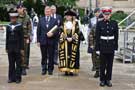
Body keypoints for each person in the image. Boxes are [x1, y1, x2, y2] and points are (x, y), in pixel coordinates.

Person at [95, 6, 119, 87]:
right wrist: (97, 48)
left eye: (108, 14)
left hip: (111, 47)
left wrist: (116, 48)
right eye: (105, 14)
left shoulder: (114, 23)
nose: (107, 16)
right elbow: (97, 37)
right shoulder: (99, 23)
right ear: (103, 14)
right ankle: (102, 80)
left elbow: (116, 37)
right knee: (102, 65)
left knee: (110, 65)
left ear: (110, 15)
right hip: (102, 47)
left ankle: (108, 80)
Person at [59, 10, 84, 76]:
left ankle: (72, 70)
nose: (68, 17)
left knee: (73, 56)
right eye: (67, 16)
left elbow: (78, 32)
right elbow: (60, 32)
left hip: (73, 43)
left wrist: (72, 38)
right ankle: (66, 70)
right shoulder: (63, 23)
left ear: (72, 17)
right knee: (65, 56)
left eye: (69, 16)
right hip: (65, 43)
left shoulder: (75, 23)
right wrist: (66, 38)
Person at [37, 6, 58, 75]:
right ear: (44, 12)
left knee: (51, 56)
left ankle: (50, 69)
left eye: (49, 11)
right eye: (46, 11)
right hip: (43, 41)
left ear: (50, 12)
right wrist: (38, 41)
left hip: (51, 41)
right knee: (44, 56)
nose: (47, 12)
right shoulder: (41, 19)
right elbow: (38, 31)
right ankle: (44, 69)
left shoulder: (54, 20)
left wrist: (52, 34)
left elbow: (56, 31)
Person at [6, 8, 24, 84]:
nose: (13, 19)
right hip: (10, 47)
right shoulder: (8, 26)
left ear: (16, 18)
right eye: (11, 18)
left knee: (18, 64)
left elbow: (21, 38)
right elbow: (7, 37)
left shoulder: (19, 26)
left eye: (14, 18)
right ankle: (11, 78)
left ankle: (18, 78)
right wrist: (6, 47)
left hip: (17, 47)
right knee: (11, 64)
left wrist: (22, 48)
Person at [17, 4, 32, 75]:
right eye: (19, 8)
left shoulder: (27, 17)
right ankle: (19, 66)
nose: (20, 9)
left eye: (21, 8)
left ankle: (24, 67)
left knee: (25, 52)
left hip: (25, 38)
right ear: (17, 9)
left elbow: (29, 28)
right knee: (18, 52)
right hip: (17, 38)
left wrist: (29, 37)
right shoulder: (16, 17)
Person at [88, 8, 101, 78]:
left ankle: (100, 70)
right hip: (94, 41)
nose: (97, 13)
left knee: (101, 57)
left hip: (102, 42)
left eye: (98, 12)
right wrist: (90, 43)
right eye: (96, 12)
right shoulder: (92, 20)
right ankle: (97, 69)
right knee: (94, 56)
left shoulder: (102, 20)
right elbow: (90, 31)